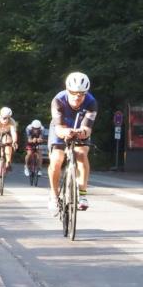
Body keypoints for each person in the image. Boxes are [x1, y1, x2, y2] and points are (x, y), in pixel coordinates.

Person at [48, 72, 97, 214]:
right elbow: (58, 129)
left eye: (81, 94)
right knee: (57, 159)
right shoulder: (58, 100)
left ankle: (82, 194)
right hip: (60, 127)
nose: (77, 97)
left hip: (79, 127)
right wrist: (66, 132)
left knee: (81, 154)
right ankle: (54, 195)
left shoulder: (91, 102)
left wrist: (82, 132)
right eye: (74, 93)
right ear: (68, 90)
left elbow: (88, 129)